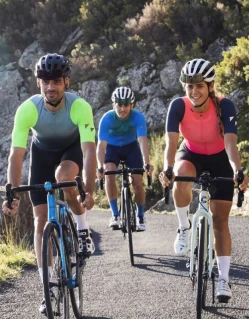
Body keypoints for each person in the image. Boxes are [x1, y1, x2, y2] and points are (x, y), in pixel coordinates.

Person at [2, 53, 96, 314]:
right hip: (41, 154)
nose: (50, 87)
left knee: (64, 179)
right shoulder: (28, 109)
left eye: (56, 81)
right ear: (38, 83)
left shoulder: (79, 106)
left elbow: (89, 152)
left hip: (71, 150)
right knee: (40, 221)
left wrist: (89, 188)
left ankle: (82, 228)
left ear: (66, 82)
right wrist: (12, 192)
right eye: (45, 81)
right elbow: (17, 154)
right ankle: (48, 287)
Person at [158, 58, 249, 302]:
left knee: (220, 222)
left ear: (210, 86)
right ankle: (183, 227)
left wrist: (237, 170)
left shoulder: (225, 105)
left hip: (220, 157)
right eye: (189, 86)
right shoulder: (178, 105)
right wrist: (168, 168)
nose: (194, 91)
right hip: (191, 154)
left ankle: (223, 279)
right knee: (181, 173)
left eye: (200, 86)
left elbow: (230, 143)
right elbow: (171, 142)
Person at [96, 86, 153, 231]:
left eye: (126, 105)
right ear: (113, 105)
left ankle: (140, 215)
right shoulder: (107, 118)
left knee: (138, 183)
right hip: (112, 149)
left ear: (132, 105)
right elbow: (101, 146)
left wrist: (147, 163)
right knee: (109, 174)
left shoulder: (138, 117)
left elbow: (142, 140)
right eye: (119, 105)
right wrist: (99, 166)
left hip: (131, 148)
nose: (122, 109)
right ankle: (115, 215)